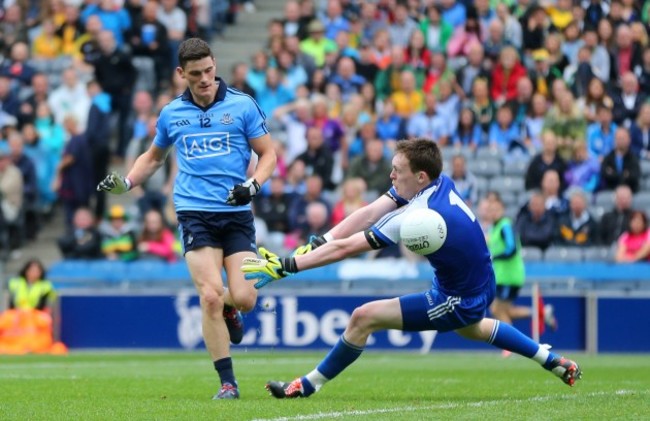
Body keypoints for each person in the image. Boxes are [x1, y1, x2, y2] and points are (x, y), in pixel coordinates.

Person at [241, 138, 581, 399]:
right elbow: (371, 210)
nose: (391, 176)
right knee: (473, 329)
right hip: (477, 279)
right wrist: (321, 240)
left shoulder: (417, 220)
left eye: (397, 171)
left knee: (363, 317)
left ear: (419, 176)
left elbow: (349, 248)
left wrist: (288, 265)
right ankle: (551, 360)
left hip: (457, 296)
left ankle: (308, 385)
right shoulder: (436, 183)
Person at [96, 38, 276, 400]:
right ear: (182, 74)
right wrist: (127, 182)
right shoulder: (171, 113)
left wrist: (253, 186)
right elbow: (153, 157)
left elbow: (269, 153)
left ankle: (231, 309)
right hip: (194, 213)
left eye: (209, 70)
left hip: (237, 212)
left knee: (244, 298)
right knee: (209, 296)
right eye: (196, 74)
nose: (206, 79)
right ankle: (227, 383)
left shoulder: (242, 105)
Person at [487, 194, 556, 353]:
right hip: (502, 276)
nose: (493, 212)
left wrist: (494, 257)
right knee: (504, 310)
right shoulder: (495, 227)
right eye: (491, 209)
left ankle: (509, 345)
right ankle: (540, 313)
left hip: (510, 276)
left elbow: (511, 249)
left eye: (496, 209)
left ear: (502, 209)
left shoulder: (505, 225)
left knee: (498, 309)